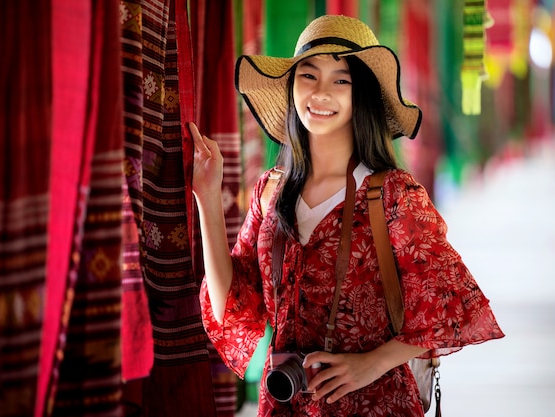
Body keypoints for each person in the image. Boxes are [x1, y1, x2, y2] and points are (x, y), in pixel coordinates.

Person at [190, 15, 504, 417]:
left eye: (341, 81)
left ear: (362, 97)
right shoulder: (271, 191)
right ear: (291, 88)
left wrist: (368, 365)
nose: (321, 93)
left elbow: (449, 303)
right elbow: (230, 308)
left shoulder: (391, 194)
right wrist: (207, 197)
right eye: (308, 76)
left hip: (375, 404)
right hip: (285, 405)